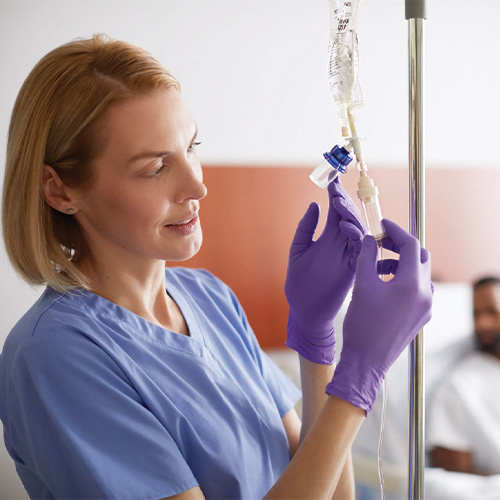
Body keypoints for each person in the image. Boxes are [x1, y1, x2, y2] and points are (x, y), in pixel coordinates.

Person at [0, 34, 432, 500]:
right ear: (60, 190)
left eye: (192, 147)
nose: (197, 187)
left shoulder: (209, 297)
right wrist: (360, 376)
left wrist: (317, 339)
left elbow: (326, 492)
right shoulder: (54, 356)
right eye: (155, 168)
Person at [428, 276, 500, 476]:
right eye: (476, 314)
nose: (482, 324)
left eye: (492, 312)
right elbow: (454, 473)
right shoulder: (458, 386)